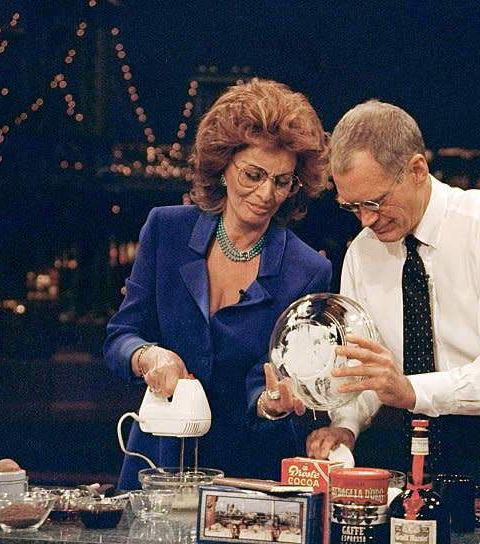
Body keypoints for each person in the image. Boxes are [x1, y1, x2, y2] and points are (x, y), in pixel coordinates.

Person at [306, 100, 480, 505]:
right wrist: (345, 426)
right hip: (419, 444)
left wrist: (412, 391)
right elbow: (366, 372)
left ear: (417, 170)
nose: (365, 220)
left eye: (375, 202)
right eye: (352, 207)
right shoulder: (363, 252)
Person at [104, 78, 330, 489]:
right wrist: (148, 356)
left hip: (246, 471)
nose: (267, 194)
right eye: (253, 175)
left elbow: (273, 377)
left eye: (282, 181)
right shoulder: (166, 229)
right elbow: (121, 336)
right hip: (157, 463)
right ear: (222, 165)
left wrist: (270, 404)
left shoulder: (306, 269)